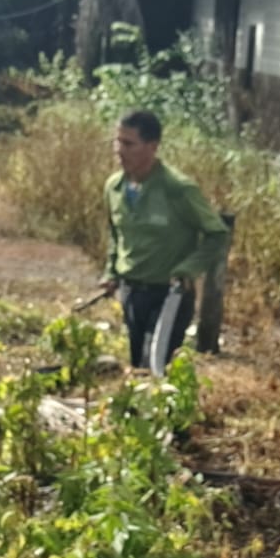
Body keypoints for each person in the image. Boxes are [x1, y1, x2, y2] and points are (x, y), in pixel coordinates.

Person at [100, 110, 229, 372]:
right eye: (117, 141)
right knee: (137, 364)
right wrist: (111, 271)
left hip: (169, 294)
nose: (119, 151)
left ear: (152, 147)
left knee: (155, 366)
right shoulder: (114, 187)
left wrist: (189, 269)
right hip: (131, 292)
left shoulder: (177, 189)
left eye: (128, 144)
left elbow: (217, 234)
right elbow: (116, 235)